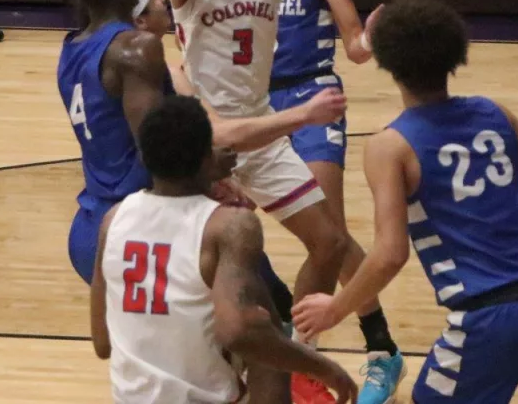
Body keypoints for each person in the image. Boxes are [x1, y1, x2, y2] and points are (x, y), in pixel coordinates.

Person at [293, 0, 518, 404]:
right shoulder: (496, 114)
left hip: (486, 317)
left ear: (386, 63)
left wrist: (335, 309)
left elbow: (390, 254)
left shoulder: (390, 146)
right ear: (455, 55)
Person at [166, 0, 351, 404]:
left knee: (330, 243)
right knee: (218, 273)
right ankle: (223, 367)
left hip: (262, 134)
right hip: (210, 145)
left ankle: (293, 354)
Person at [59, 0, 347, 287]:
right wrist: (209, 168)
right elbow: (155, 151)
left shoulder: (71, 50)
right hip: (143, 225)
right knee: (253, 308)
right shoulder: (137, 49)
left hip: (93, 223)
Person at [91, 96, 358, 403]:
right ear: (207, 156)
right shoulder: (228, 226)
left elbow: (102, 341)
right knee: (261, 323)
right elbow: (238, 331)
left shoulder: (113, 220)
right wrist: (323, 368)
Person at [264, 0, 405, 404]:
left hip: (313, 96)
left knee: (331, 233)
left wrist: (370, 37)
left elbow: (354, 48)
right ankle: (277, 329)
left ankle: (376, 350)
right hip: (257, 107)